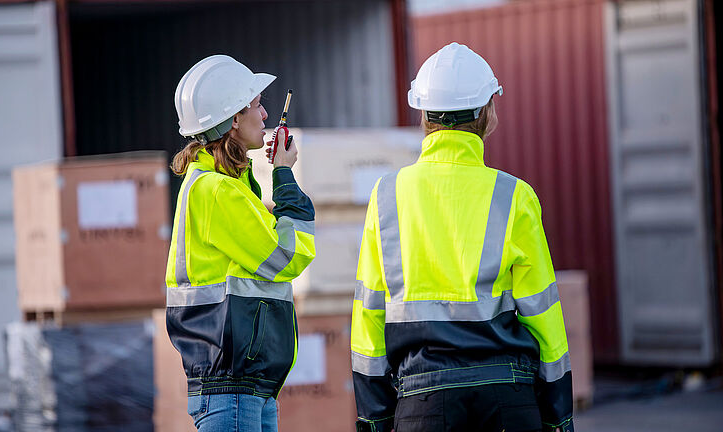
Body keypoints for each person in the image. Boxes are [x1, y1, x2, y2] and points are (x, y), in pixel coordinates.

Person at [350, 42, 574, 432]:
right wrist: (559, 414)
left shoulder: (387, 195)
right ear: (488, 112)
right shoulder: (514, 195)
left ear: (423, 114)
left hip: (423, 401)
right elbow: (543, 315)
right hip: (509, 399)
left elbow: (369, 315)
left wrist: (375, 415)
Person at [165, 55, 315, 432]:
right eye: (257, 105)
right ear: (234, 119)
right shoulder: (217, 191)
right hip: (231, 387)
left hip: (245, 385)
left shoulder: (225, 186)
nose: (265, 115)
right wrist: (283, 176)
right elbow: (287, 257)